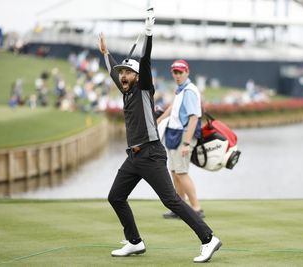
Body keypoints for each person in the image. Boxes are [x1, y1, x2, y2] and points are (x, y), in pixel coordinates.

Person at [98, 7, 222, 263]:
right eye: (122, 73)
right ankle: (135, 242)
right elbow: (112, 70)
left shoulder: (143, 88)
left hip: (152, 154)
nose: (122, 75)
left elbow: (145, 61)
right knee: (116, 197)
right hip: (134, 157)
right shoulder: (126, 91)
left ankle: (209, 239)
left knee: (171, 201)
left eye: (127, 73)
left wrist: (149, 35)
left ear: (136, 76)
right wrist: (106, 53)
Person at [156, 59, 205, 219]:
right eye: (175, 72)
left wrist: (186, 143)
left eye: (180, 72)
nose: (177, 75)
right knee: (175, 173)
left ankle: (196, 209)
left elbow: (193, 118)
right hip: (174, 133)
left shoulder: (189, 91)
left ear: (187, 72)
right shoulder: (181, 89)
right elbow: (172, 108)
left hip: (184, 135)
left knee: (182, 173)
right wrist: (160, 119)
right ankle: (180, 208)